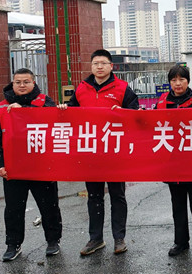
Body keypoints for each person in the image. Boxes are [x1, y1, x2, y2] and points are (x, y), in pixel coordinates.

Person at [58, 49, 139, 256]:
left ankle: (119, 238)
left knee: (117, 195)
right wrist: (64, 109)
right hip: (91, 152)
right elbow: (72, 114)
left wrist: (124, 113)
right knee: (94, 196)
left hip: (115, 152)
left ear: (111, 66)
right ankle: (96, 239)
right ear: (91, 66)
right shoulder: (82, 88)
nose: (99, 67)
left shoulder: (122, 88)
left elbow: (135, 114)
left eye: (103, 63)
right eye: (96, 63)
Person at [0, 68, 62, 262]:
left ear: (33, 83)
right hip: (14, 168)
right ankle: (13, 245)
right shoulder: (2, 108)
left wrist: (25, 111)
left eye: (26, 82)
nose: (22, 85)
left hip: (42, 167)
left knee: (49, 206)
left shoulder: (45, 102)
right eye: (18, 82)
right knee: (13, 209)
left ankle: (53, 241)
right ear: (12, 84)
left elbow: (56, 127)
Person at [154, 65, 192, 257]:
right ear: (169, 82)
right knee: (177, 205)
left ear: (188, 81)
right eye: (173, 80)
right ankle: (180, 242)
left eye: (181, 80)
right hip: (172, 162)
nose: (177, 84)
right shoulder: (161, 102)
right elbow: (148, 124)